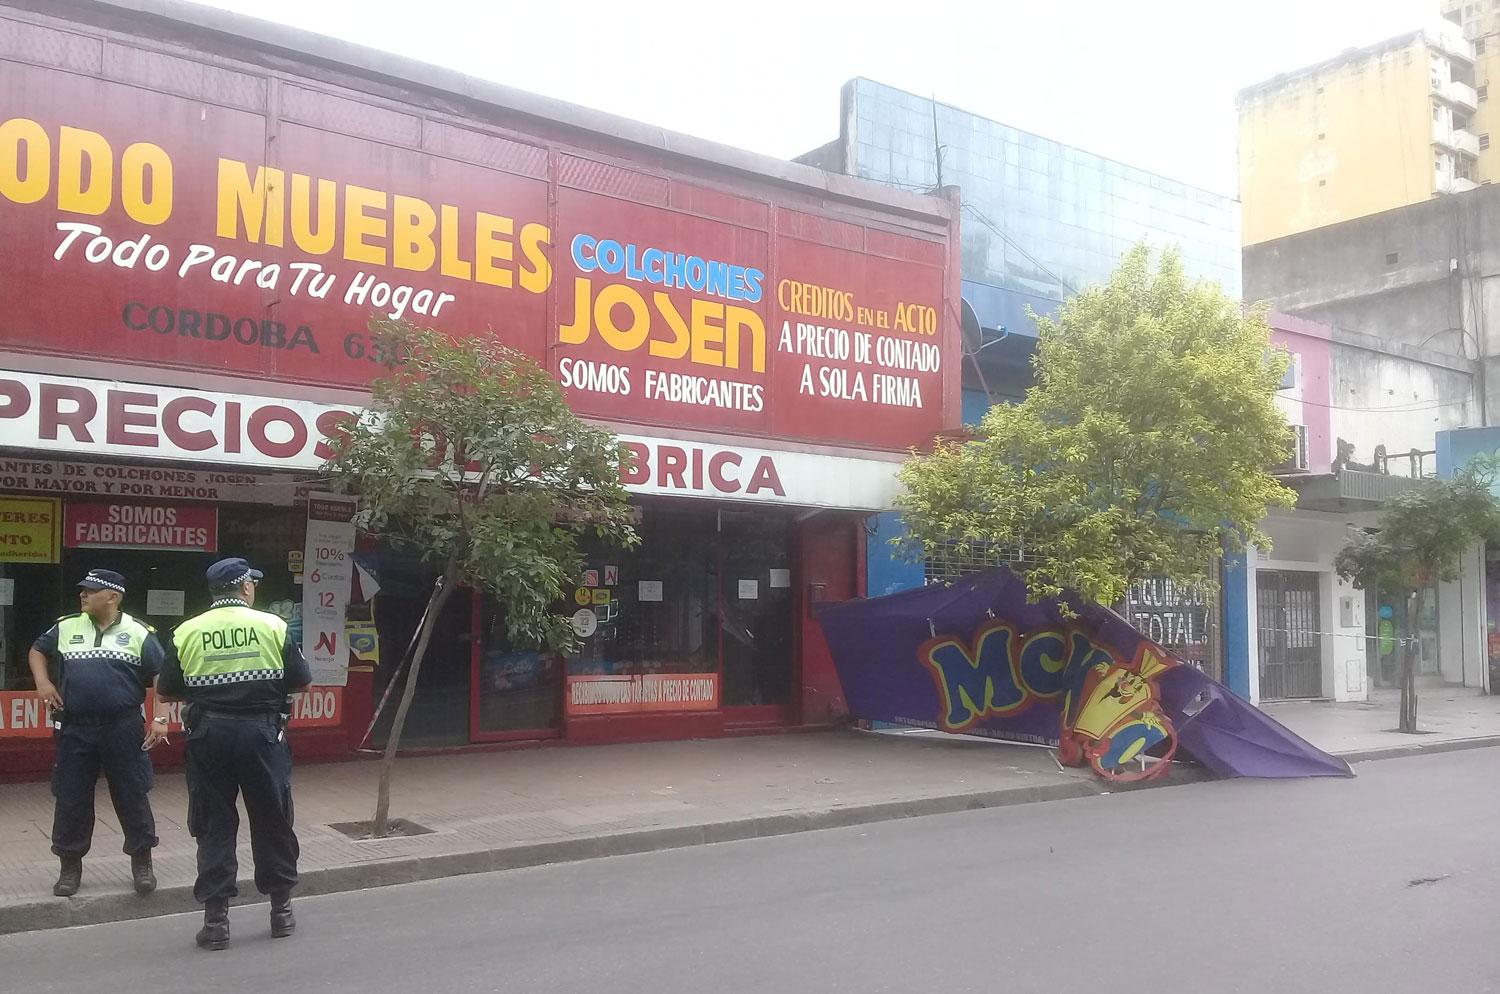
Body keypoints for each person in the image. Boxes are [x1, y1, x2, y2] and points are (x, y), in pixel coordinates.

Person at [157, 557, 311, 951]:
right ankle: (281, 912)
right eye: (253, 584)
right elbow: (300, 680)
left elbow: (168, 688)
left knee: (213, 824)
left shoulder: (187, 631)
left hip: (208, 735)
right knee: (272, 818)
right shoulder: (272, 626)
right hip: (262, 734)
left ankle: (216, 921)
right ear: (245, 588)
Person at [28, 569, 171, 898]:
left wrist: (160, 717)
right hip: (76, 726)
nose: (83, 595)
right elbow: (37, 650)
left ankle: (142, 862)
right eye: (83, 590)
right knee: (71, 796)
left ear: (112, 596)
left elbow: (161, 674)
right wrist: (43, 682)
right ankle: (69, 866)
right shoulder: (67, 626)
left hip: (123, 726)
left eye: (90, 591)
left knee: (132, 793)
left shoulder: (138, 632)